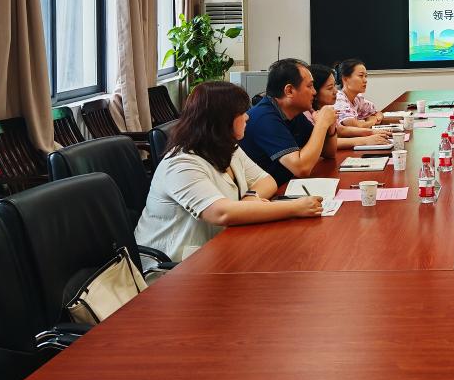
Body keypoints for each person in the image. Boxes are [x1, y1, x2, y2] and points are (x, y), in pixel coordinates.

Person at [135, 82, 323, 262]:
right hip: (175, 266)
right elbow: (221, 213)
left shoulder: (227, 147)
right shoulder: (181, 165)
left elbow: (267, 180)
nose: (247, 117)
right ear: (223, 120)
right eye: (241, 113)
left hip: (219, 249)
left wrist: (250, 198)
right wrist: (295, 208)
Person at [238, 58, 337, 187]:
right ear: (289, 91)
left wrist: (330, 127)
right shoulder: (264, 118)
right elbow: (302, 169)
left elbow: (329, 153)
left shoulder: (294, 113)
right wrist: (321, 124)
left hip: (285, 186)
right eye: (309, 86)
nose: (314, 92)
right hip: (263, 194)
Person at [308, 64, 391, 149]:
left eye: (334, 86)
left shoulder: (326, 109)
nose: (336, 91)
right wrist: (366, 139)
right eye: (330, 88)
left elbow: (341, 129)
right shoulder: (309, 115)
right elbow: (325, 144)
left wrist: (371, 132)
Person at [334, 59, 395, 136]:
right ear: (345, 79)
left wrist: (371, 119)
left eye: (365, 76)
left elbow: (378, 113)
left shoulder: (358, 99)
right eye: (361, 76)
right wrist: (372, 121)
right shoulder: (339, 99)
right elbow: (355, 126)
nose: (365, 80)